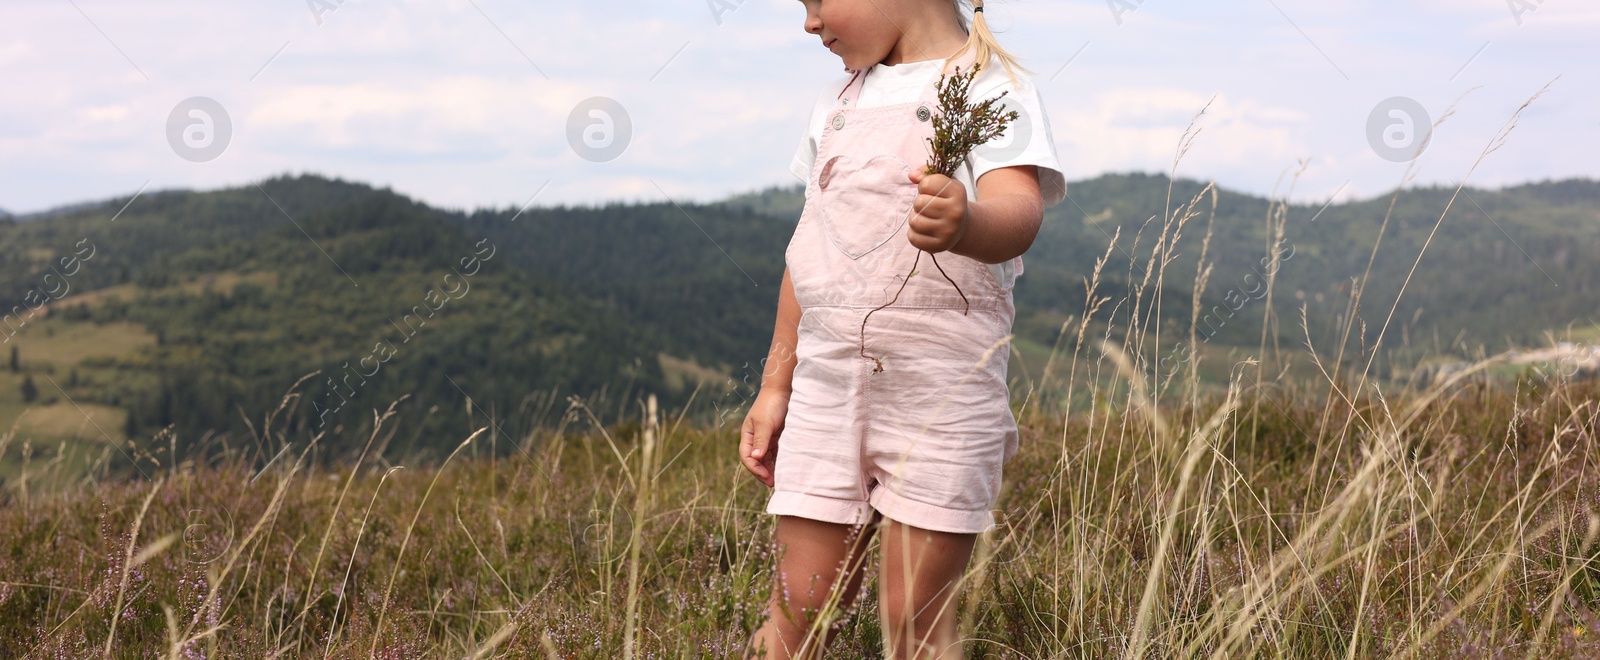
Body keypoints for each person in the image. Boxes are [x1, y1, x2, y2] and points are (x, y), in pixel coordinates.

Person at [739, 0, 1066, 657]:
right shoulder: (837, 104)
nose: (810, 23)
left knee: (913, 616)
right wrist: (777, 386)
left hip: (940, 398)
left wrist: (969, 224)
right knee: (802, 604)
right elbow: (809, 255)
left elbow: (1019, 209)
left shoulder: (988, 86)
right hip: (826, 391)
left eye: (818, 1)